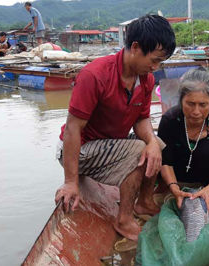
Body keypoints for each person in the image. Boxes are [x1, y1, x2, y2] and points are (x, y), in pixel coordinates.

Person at [54, 15, 176, 241]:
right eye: (154, 60)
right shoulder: (95, 75)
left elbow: (141, 119)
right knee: (139, 150)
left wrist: (151, 143)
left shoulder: (145, 79)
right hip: (81, 149)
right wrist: (71, 182)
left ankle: (144, 202)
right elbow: (73, 130)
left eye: (161, 62)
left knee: (155, 145)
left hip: (110, 143)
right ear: (136, 47)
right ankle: (124, 220)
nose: (156, 67)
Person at [157, 69, 209, 214]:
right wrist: (174, 188)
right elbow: (165, 161)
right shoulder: (170, 120)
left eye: (203, 105)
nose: (196, 111)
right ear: (181, 100)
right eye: (190, 104)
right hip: (177, 185)